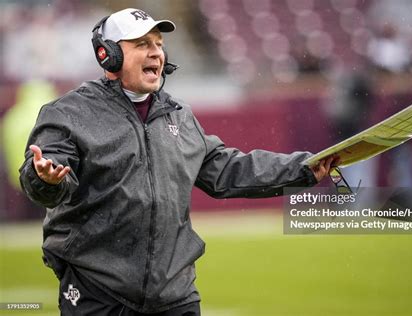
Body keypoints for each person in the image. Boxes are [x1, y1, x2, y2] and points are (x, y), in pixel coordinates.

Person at [19, 8, 337, 316]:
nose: (156, 52)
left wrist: (304, 169)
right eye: (142, 44)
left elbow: (227, 169)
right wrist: (45, 178)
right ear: (108, 54)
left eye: (159, 43)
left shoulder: (178, 114)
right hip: (98, 292)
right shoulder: (68, 113)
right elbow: (47, 174)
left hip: (175, 295)